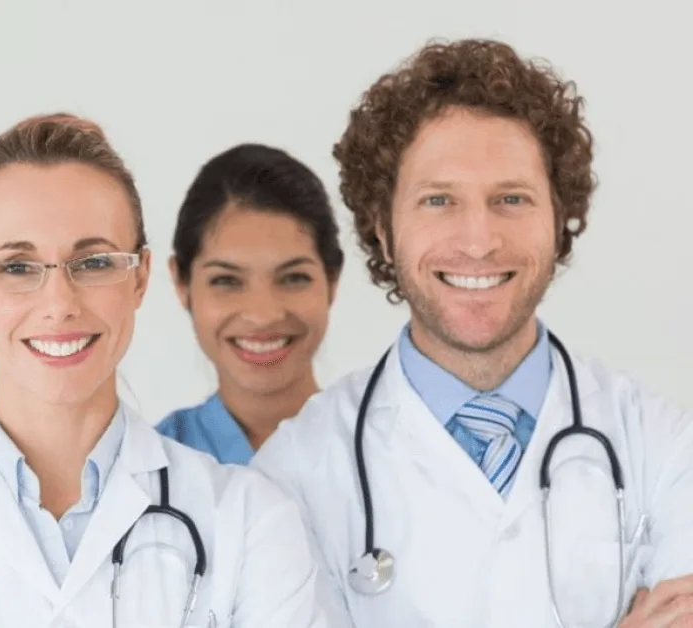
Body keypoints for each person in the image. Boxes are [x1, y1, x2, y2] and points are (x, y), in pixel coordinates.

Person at [0, 113, 343, 626]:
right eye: (17, 266)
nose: (59, 302)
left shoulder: (250, 524)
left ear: (140, 277)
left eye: (94, 262)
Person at [250, 38, 693, 627]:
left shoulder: (663, 448)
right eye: (439, 201)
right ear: (383, 228)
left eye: (512, 198)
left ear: (559, 220)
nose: (479, 240)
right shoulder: (294, 476)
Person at [156, 143, 344, 464]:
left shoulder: (388, 449)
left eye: (293, 277)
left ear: (332, 280)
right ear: (181, 283)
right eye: (226, 281)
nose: (263, 315)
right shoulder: (150, 469)